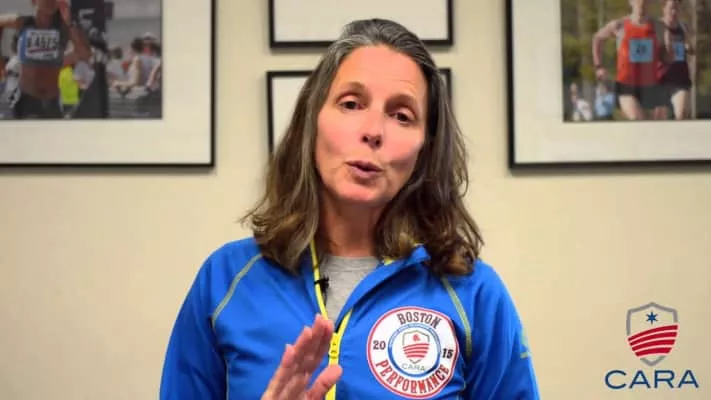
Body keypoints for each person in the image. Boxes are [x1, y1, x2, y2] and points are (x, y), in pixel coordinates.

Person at [159, 18, 540, 400]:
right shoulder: (225, 280)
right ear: (312, 121)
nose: (373, 130)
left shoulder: (474, 293)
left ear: (425, 149)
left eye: (401, 115)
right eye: (351, 104)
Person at [0, 0, 91, 119]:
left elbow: (85, 54)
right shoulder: (23, 22)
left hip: (51, 101)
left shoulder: (64, 28)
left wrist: (69, 22)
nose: (50, 2)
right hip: (25, 98)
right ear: (34, 1)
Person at [592, 0, 667, 120]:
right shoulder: (619, 25)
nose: (641, 5)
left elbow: (665, 55)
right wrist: (599, 66)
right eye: (638, 2)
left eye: (644, 2)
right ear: (630, 2)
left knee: (658, 123)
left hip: (651, 85)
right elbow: (597, 38)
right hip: (626, 85)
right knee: (637, 119)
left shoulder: (658, 26)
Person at [655, 0, 694, 120]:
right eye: (671, 8)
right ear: (663, 8)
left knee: (682, 114)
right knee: (659, 118)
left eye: (677, 8)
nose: (674, 12)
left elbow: (691, 49)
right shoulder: (656, 27)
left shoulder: (684, 27)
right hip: (659, 79)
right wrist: (663, 46)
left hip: (679, 79)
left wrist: (688, 46)